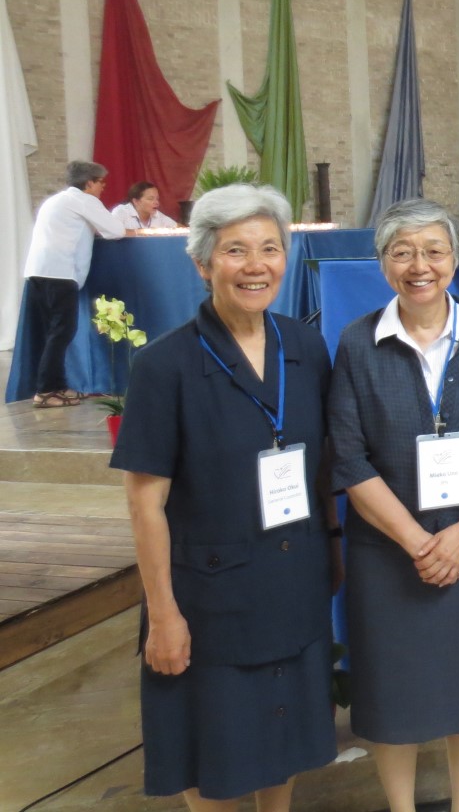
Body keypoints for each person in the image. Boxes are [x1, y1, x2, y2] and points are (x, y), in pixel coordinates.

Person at [110, 183, 339, 810]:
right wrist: (163, 614)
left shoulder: (306, 346)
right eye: (236, 251)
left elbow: (322, 467)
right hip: (210, 594)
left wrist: (335, 552)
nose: (256, 265)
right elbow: (144, 503)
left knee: (284, 738)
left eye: (270, 248)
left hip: (294, 575)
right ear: (202, 262)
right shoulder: (165, 366)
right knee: (216, 749)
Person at [328, 199, 459, 812]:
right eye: (402, 252)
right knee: (395, 692)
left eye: (434, 251)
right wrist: (418, 542)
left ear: (456, 258)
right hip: (388, 555)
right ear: (383, 263)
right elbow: (350, 459)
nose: (421, 266)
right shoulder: (358, 344)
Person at [23, 160, 125, 407]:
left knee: (54, 333)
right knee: (61, 333)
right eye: (101, 182)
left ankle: (57, 386)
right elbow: (116, 230)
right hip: (60, 273)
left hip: (38, 271)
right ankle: (46, 391)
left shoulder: (56, 200)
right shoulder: (84, 200)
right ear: (89, 183)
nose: (103, 187)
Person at [112, 180, 179, 230]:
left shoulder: (157, 215)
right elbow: (113, 233)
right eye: (150, 199)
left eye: (157, 199)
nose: (157, 202)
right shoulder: (121, 212)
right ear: (136, 201)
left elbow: (180, 229)